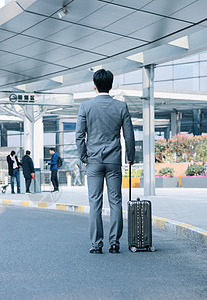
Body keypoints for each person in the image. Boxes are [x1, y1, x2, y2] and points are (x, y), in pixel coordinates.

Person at [75, 69, 135, 254]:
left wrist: (84, 157)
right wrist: (130, 157)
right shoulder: (121, 107)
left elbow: (79, 136)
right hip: (113, 160)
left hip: (93, 160)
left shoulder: (85, 107)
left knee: (95, 202)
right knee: (116, 201)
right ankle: (114, 242)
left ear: (94, 86)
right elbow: (129, 135)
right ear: (111, 85)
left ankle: (96, 244)